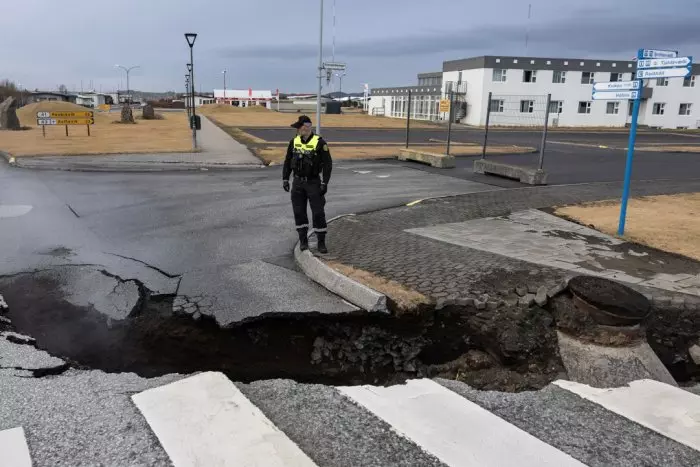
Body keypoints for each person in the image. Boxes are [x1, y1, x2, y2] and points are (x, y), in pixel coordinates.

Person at [283, 115, 333, 253]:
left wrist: (325, 183)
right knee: (299, 212)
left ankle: (321, 242)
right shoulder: (294, 142)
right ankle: (303, 240)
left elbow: (328, 164)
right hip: (298, 183)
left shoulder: (320, 143)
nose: (298, 130)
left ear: (306, 127)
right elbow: (288, 161)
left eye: (299, 127)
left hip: (313, 182)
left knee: (318, 212)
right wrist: (285, 179)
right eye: (298, 128)